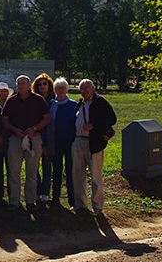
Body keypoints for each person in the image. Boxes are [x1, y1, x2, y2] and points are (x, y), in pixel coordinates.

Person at [2, 75, 51, 211]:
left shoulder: (38, 100)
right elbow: (4, 119)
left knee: (32, 171)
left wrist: (34, 128)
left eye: (24, 83)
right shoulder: (11, 101)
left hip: (33, 138)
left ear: (29, 85)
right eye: (19, 83)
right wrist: (14, 129)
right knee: (13, 171)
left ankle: (30, 200)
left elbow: (47, 118)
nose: (21, 85)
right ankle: (14, 201)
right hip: (15, 138)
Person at [72, 79, 117, 215]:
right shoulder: (80, 103)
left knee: (96, 176)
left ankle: (97, 207)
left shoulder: (100, 102)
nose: (84, 91)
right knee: (77, 175)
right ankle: (80, 205)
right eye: (82, 89)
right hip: (78, 141)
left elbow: (112, 119)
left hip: (94, 143)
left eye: (87, 88)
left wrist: (94, 125)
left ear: (93, 89)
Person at [49, 77, 78, 208]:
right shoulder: (51, 104)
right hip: (55, 143)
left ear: (66, 89)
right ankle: (55, 198)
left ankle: (72, 200)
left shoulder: (74, 104)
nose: (60, 90)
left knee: (71, 172)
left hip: (70, 142)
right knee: (56, 171)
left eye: (62, 88)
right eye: (57, 88)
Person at [33, 73, 55, 204]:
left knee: (47, 166)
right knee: (34, 165)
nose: (42, 86)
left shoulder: (54, 100)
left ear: (49, 85)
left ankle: (46, 193)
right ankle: (37, 190)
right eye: (39, 84)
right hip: (36, 134)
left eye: (44, 83)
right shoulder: (34, 99)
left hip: (50, 135)